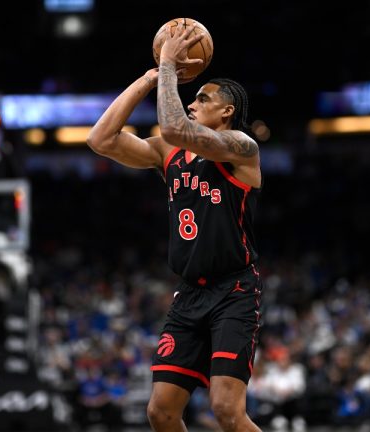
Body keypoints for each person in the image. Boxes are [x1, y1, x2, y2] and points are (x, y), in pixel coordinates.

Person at [87, 21, 263, 432]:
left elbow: (173, 128)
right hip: (189, 294)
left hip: (234, 290)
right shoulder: (170, 153)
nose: (192, 102)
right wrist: (148, 78)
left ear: (227, 111)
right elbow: (100, 138)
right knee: (160, 412)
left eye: (202, 98)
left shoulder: (241, 148)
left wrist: (167, 64)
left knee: (226, 410)